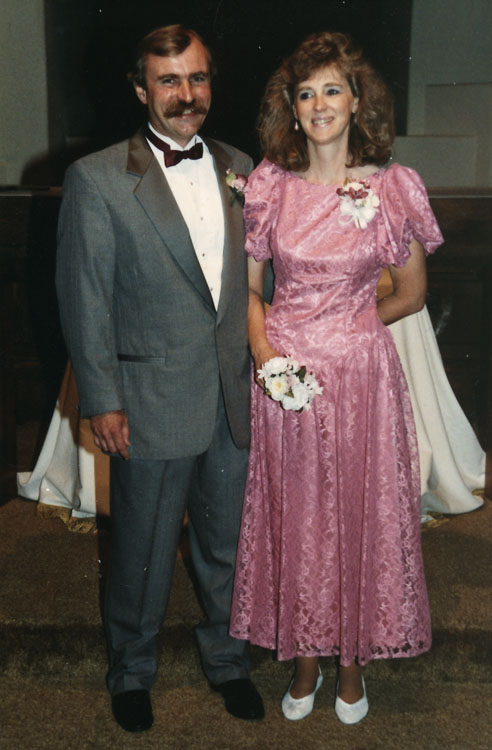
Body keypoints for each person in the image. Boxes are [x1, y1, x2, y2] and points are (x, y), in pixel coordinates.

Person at [230, 31, 443, 725]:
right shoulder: (269, 185)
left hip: (358, 379)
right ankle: (304, 658)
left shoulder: (390, 186)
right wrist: (270, 356)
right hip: (286, 379)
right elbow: (250, 289)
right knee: (298, 516)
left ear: (356, 101)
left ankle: (350, 663)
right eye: (305, 93)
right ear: (291, 109)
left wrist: (348, 330)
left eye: (332, 90)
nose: (319, 104)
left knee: (356, 513)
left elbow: (409, 293)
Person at [55, 24, 264, 733]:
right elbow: (84, 298)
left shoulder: (242, 164)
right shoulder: (98, 177)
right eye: (169, 81)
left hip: (234, 397)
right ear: (142, 89)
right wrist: (103, 399)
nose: (186, 95)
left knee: (226, 541)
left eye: (198, 78)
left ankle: (228, 661)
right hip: (147, 400)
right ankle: (132, 671)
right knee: (140, 548)